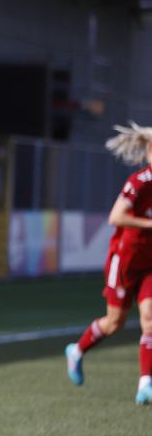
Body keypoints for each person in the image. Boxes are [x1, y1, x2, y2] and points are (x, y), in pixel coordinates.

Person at [65, 122, 152, 404]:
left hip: (150, 264)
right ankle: (76, 351)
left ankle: (145, 384)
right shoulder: (139, 182)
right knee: (114, 322)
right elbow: (116, 218)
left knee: (150, 320)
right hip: (125, 260)